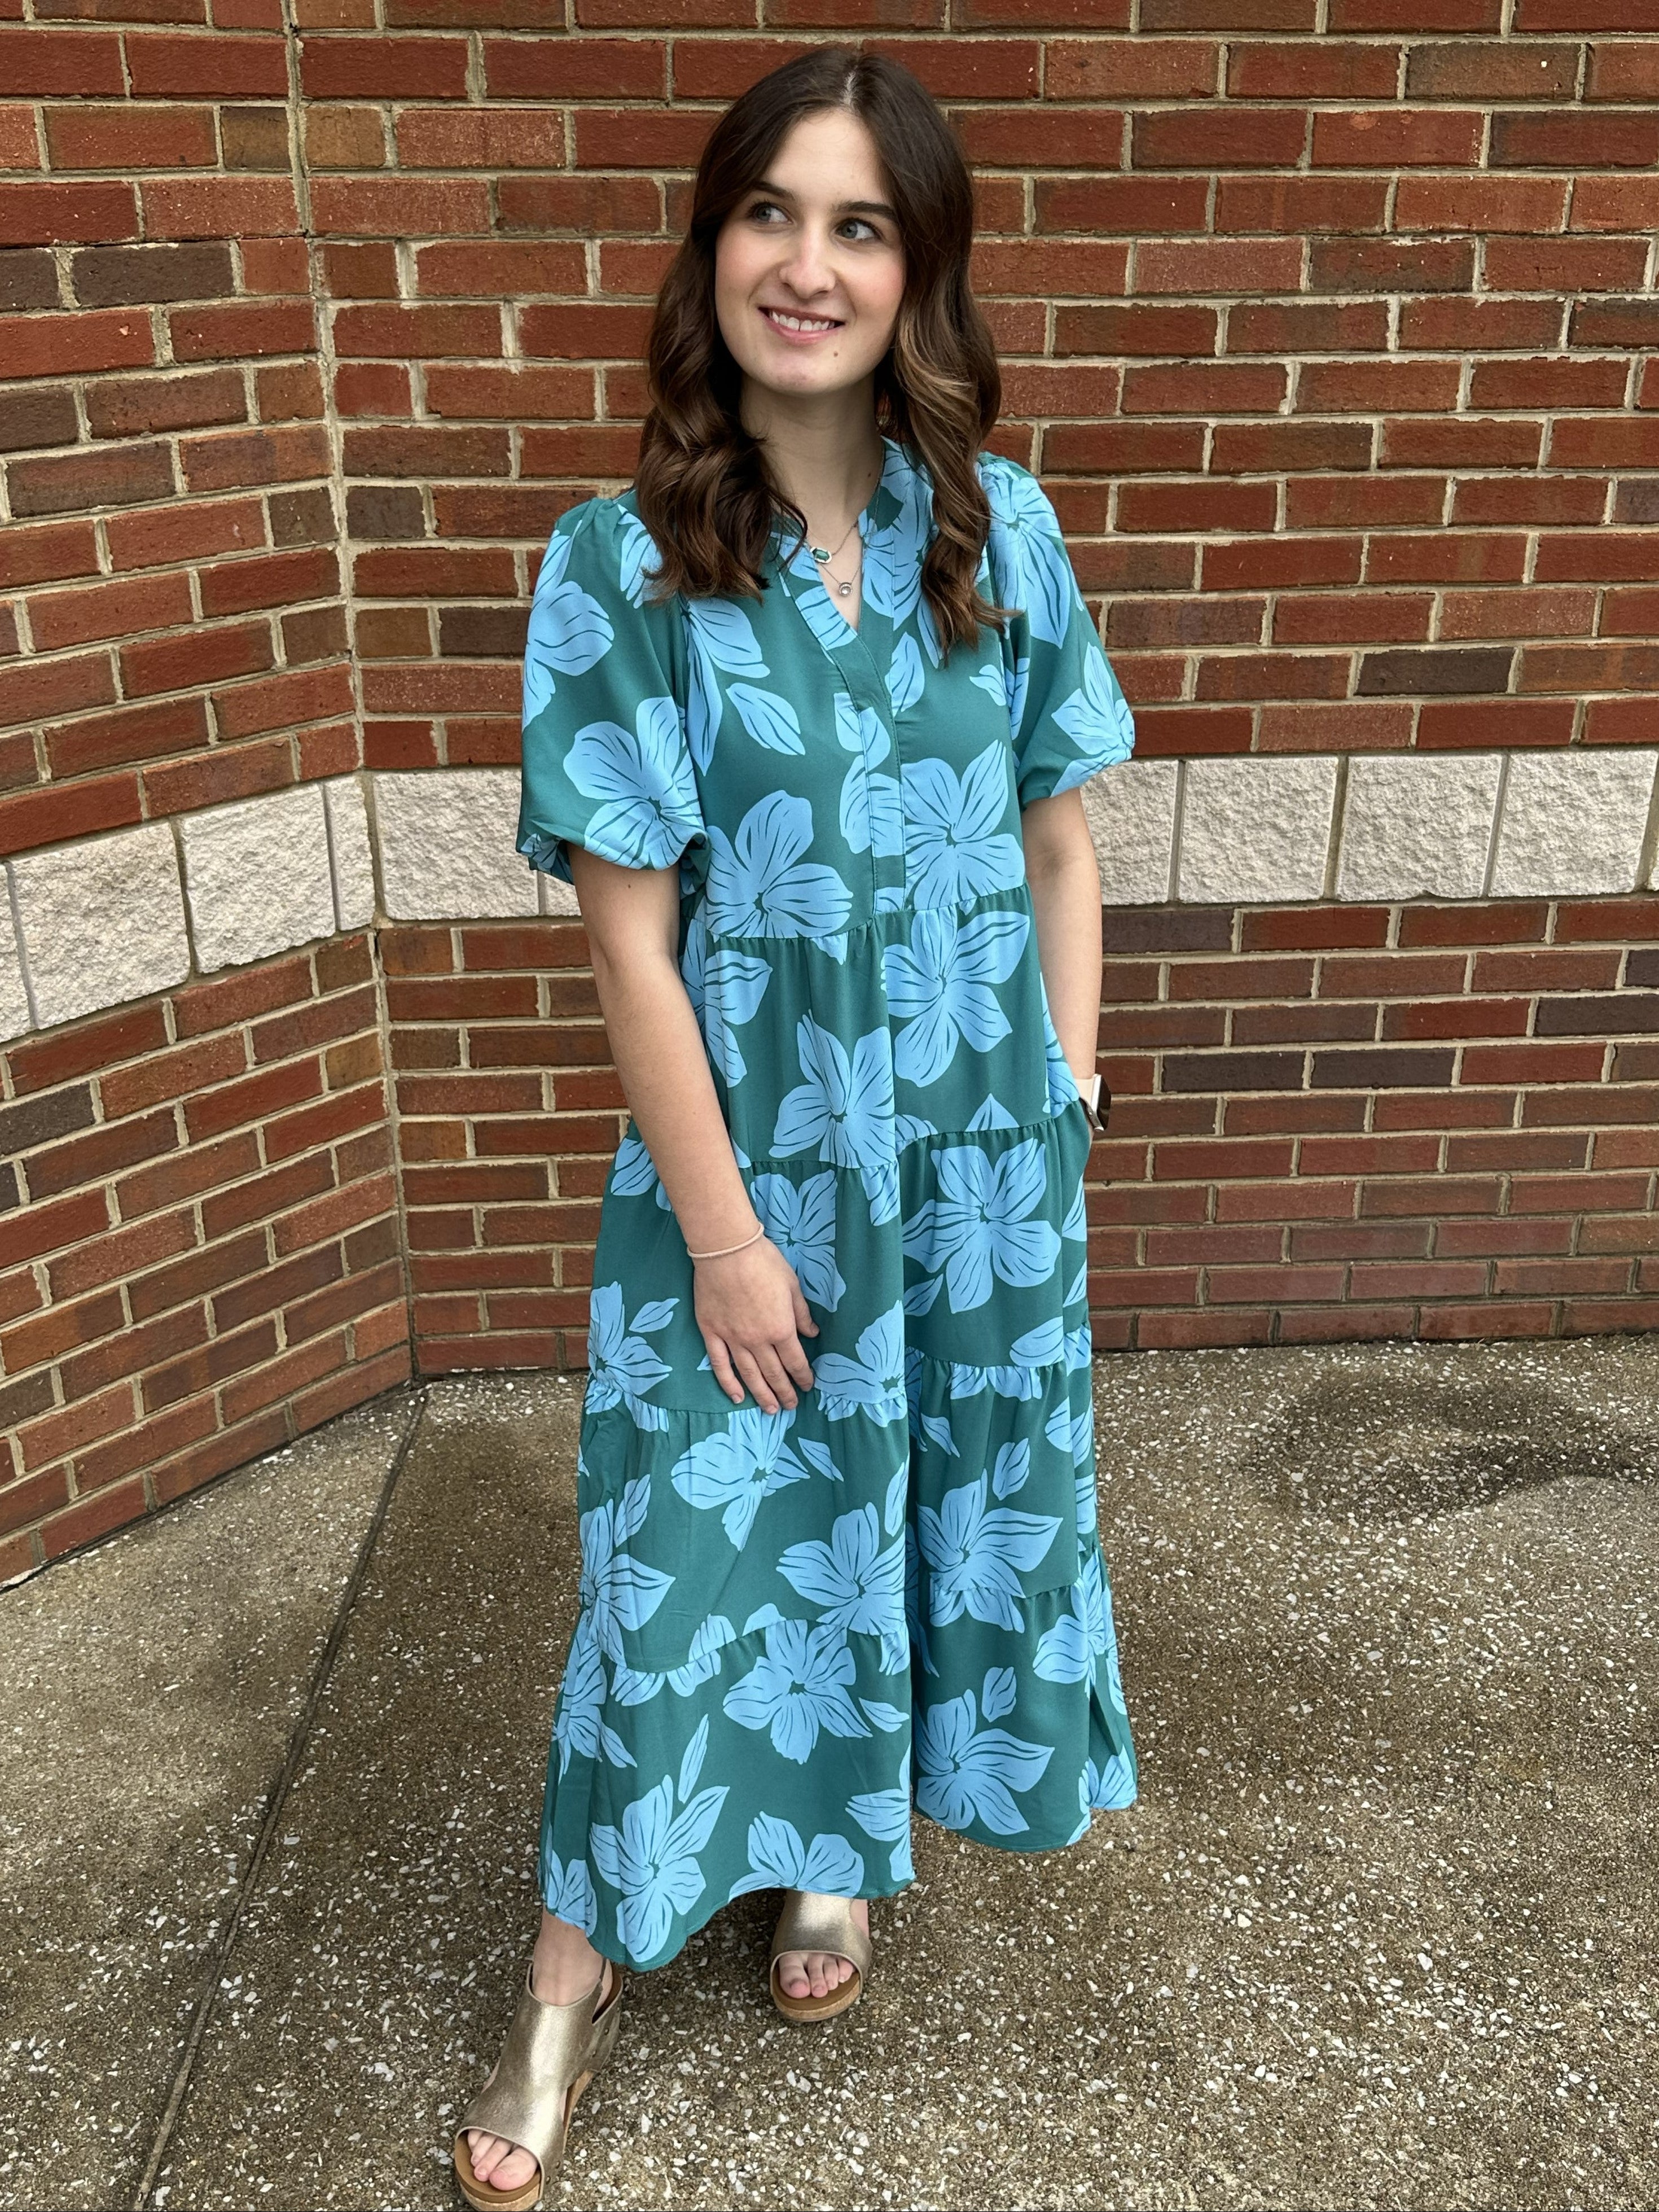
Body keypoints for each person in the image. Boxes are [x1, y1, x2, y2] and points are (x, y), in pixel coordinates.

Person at [455, 42, 1139, 2211]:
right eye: (771, 212)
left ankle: (829, 1868)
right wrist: (733, 1241)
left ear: (918, 268)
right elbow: (630, 949)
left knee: (909, 1536)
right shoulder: (622, 562)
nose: (809, 264)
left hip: (980, 1183)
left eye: (859, 224)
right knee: (683, 1574)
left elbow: (1059, 848)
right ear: (711, 244)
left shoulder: (996, 528)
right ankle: (568, 1981)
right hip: (738, 1197)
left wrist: (1071, 1096)